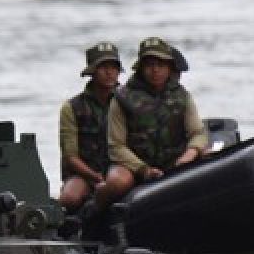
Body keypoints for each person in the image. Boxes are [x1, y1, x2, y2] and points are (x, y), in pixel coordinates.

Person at [94, 37, 208, 212]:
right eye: (149, 65)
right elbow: (116, 146)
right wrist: (144, 169)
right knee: (118, 182)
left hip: (174, 161)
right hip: (134, 165)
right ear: (141, 68)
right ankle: (94, 214)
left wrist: (189, 155)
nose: (155, 70)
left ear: (169, 68)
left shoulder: (182, 96)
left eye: (160, 65)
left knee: (207, 160)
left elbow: (198, 133)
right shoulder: (122, 98)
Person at [57, 42, 123, 214]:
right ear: (92, 71)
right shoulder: (72, 108)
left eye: (113, 67)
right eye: (103, 67)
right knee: (69, 199)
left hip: (121, 169)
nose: (109, 72)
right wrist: (95, 177)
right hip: (85, 174)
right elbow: (71, 156)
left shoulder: (128, 102)